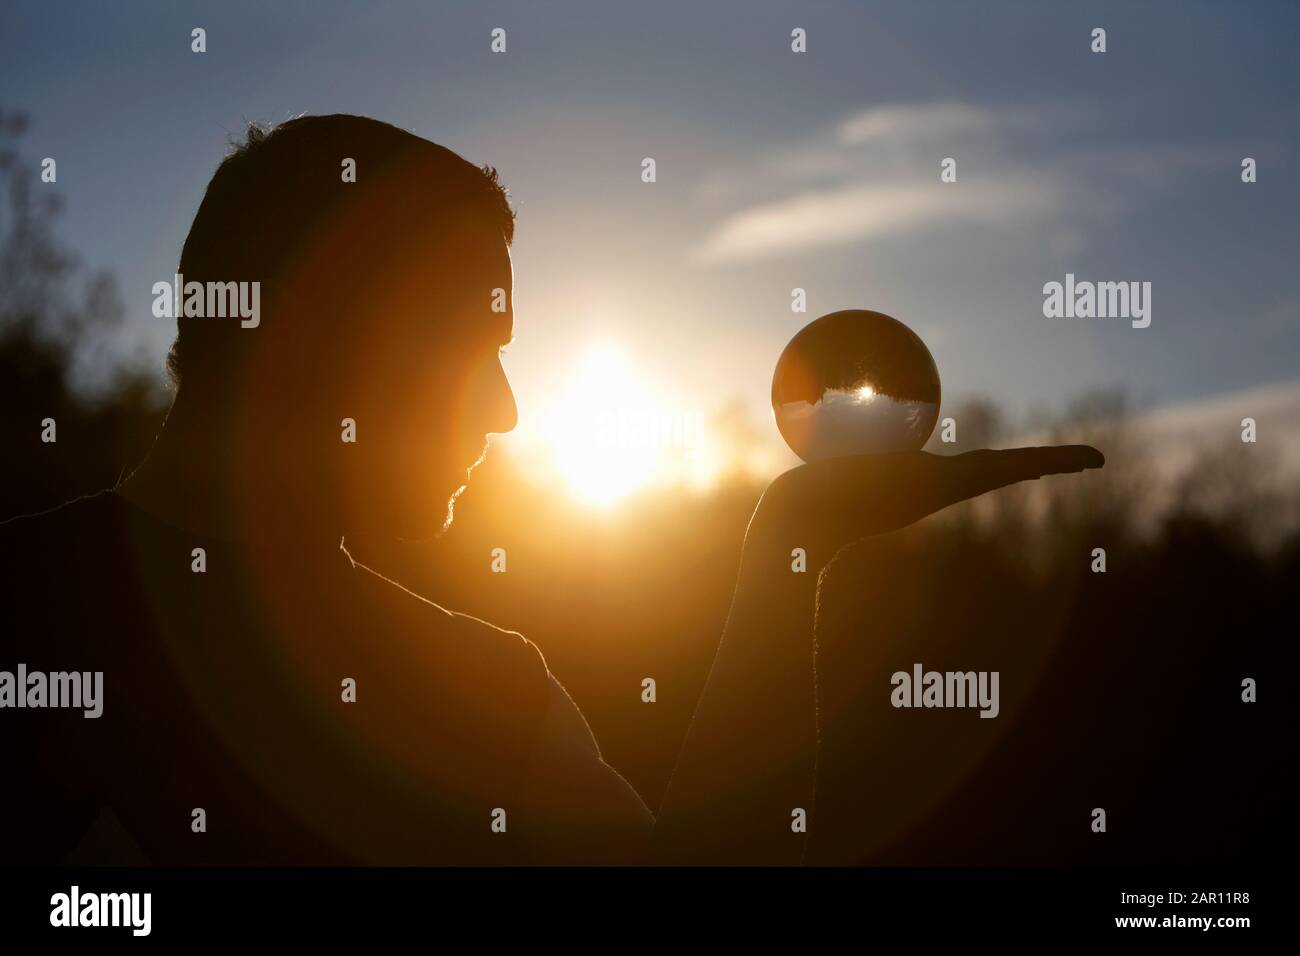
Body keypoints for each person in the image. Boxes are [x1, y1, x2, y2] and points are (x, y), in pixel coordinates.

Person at [0, 115, 1103, 865]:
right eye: (471, 345)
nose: (504, 411)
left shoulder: (494, 691)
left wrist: (791, 551)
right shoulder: (29, 612)